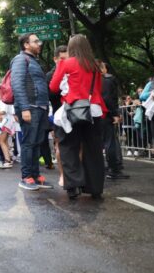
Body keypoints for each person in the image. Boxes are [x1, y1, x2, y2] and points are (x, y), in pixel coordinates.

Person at [49, 34, 106, 200]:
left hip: (72, 110)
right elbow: (99, 89)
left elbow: (53, 87)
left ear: (71, 47)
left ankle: (74, 186)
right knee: (93, 149)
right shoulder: (95, 65)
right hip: (94, 110)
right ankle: (95, 187)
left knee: (68, 147)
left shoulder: (65, 63)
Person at [10, 33, 53, 191]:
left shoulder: (35, 61)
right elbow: (17, 84)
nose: (39, 44)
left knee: (37, 143)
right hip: (31, 107)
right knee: (29, 143)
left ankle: (35, 176)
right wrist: (24, 108)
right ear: (26, 45)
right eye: (36, 41)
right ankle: (26, 177)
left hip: (41, 108)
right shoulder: (21, 59)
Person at [99, 61, 129, 179]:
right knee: (110, 142)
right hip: (105, 115)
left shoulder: (93, 80)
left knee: (103, 143)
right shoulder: (107, 80)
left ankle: (107, 168)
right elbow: (108, 99)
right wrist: (115, 114)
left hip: (96, 114)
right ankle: (114, 169)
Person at [46, 45, 68, 186]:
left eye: (68, 58)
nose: (65, 62)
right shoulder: (50, 76)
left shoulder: (74, 70)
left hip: (75, 114)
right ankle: (62, 175)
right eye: (62, 59)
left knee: (79, 146)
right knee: (60, 147)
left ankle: (76, 174)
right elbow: (51, 94)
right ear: (55, 59)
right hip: (59, 116)